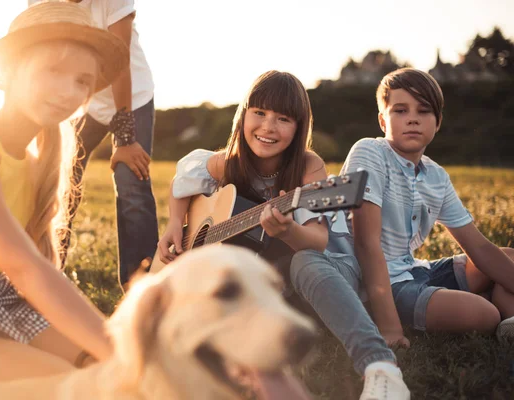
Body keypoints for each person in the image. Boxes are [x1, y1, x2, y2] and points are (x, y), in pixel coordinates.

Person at [157, 70, 411, 400]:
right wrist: (175, 224)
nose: (267, 127)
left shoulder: (307, 167)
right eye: (259, 113)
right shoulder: (228, 163)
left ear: (299, 126)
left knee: (304, 261)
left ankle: (381, 368)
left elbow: (318, 242)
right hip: (270, 292)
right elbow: (185, 177)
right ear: (243, 114)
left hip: (327, 272)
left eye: (283, 119)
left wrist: (289, 231)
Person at [0, 1, 129, 382]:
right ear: (11, 70)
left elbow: (39, 270)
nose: (69, 91)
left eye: (83, 81)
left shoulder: (35, 161)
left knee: (106, 372)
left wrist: (121, 353)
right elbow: (24, 268)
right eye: (53, 70)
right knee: (63, 383)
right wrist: (132, 358)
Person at [341, 68, 514, 345]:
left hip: (418, 271)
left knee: (507, 257)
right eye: (400, 110)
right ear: (382, 121)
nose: (412, 119)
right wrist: (389, 327)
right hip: (381, 285)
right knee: (484, 314)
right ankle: (493, 310)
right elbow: (366, 243)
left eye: (423, 111)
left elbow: (479, 248)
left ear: (438, 122)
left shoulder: (436, 176)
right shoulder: (369, 152)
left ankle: (509, 323)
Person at [33, 0, 158, 290]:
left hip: (130, 95)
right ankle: (49, 270)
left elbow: (120, 62)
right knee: (56, 177)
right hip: (80, 98)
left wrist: (125, 140)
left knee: (131, 180)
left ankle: (140, 287)